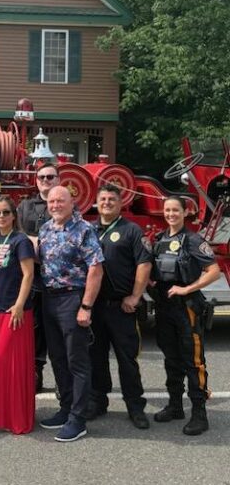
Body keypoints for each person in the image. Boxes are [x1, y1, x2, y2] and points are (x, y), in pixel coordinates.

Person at [38, 185, 103, 442]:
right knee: (57, 358)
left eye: (60, 201)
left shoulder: (84, 229)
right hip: (49, 299)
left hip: (72, 299)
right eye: (51, 201)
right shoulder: (45, 229)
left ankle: (78, 419)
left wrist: (86, 306)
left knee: (77, 361)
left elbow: (95, 268)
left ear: (71, 202)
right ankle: (65, 409)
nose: (55, 205)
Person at [150, 195, 220, 436]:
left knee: (193, 360)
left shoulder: (193, 240)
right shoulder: (159, 239)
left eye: (175, 210)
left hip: (186, 307)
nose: (171, 214)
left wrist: (187, 289)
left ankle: (199, 414)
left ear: (185, 212)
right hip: (164, 307)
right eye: (167, 210)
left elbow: (213, 271)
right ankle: (175, 405)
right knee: (171, 358)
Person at [85, 184, 151, 429]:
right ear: (97, 202)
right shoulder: (89, 230)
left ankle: (135, 407)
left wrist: (135, 296)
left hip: (122, 308)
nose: (107, 203)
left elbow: (144, 264)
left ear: (120, 203)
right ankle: (98, 402)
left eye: (112, 199)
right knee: (96, 357)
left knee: (127, 359)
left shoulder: (132, 230)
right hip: (96, 307)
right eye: (103, 199)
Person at [0, 195, 36, 434]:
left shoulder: (21, 241)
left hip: (14, 311)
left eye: (5, 212)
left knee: (8, 362)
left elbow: (29, 274)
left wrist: (20, 304)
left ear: (14, 215)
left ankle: (13, 416)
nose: (1, 216)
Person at [17, 164, 61, 392]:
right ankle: (36, 372)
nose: (45, 180)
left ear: (58, 179)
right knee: (34, 327)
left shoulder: (66, 205)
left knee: (59, 329)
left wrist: (38, 242)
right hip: (32, 277)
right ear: (36, 180)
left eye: (50, 176)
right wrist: (30, 241)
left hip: (59, 279)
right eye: (41, 177)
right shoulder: (25, 206)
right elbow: (15, 233)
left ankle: (63, 381)